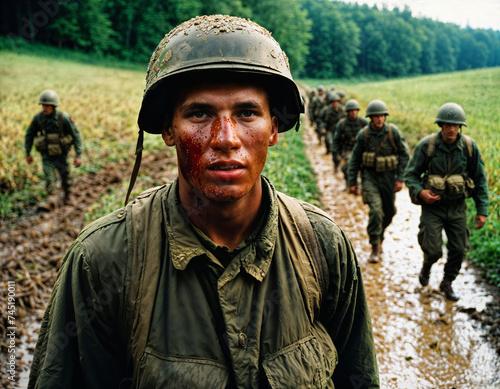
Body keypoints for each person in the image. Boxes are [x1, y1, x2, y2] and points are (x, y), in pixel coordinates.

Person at [28, 15, 379, 388]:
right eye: (199, 113)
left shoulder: (323, 247)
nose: (226, 138)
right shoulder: (103, 260)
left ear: (274, 128)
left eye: (247, 113)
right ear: (168, 129)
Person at [404, 103, 489, 301]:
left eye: (456, 125)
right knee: (432, 249)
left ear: (460, 127)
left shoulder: (469, 147)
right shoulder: (427, 145)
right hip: (432, 208)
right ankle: (427, 266)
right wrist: (421, 192)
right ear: (441, 125)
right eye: (447, 125)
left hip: (457, 207)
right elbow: (410, 175)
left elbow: (480, 179)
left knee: (459, 249)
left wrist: (482, 210)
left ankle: (447, 282)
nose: (451, 129)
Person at [348, 99, 410, 263]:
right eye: (376, 116)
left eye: (382, 115)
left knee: (389, 212)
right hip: (370, 178)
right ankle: (375, 247)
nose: (379, 119)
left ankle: (379, 235)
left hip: (389, 178)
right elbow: (355, 159)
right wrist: (352, 181)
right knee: (376, 210)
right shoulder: (364, 135)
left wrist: (400, 178)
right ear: (371, 117)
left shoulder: (392, 132)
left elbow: (404, 155)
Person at [25, 90, 82, 201]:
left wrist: (78, 155)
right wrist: (28, 153)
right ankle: (52, 201)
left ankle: (68, 196)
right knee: (49, 178)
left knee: (66, 177)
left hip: (62, 154)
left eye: (48, 105)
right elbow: (29, 135)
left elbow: (76, 135)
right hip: (47, 155)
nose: (45, 108)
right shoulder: (38, 119)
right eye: (43, 105)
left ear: (54, 106)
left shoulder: (64, 118)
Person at [332, 99, 368, 189]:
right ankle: (351, 182)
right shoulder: (342, 124)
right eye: (351, 111)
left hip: (361, 149)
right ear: (348, 112)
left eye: (355, 110)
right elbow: (336, 141)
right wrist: (339, 156)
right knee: (349, 165)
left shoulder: (363, 122)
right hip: (347, 149)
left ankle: (361, 184)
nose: (353, 112)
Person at [317, 91, 345, 159]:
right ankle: (331, 151)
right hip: (329, 129)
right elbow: (320, 120)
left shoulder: (342, 110)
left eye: (336, 102)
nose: (335, 103)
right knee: (329, 141)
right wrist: (322, 128)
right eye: (333, 102)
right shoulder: (326, 110)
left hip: (339, 130)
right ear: (331, 102)